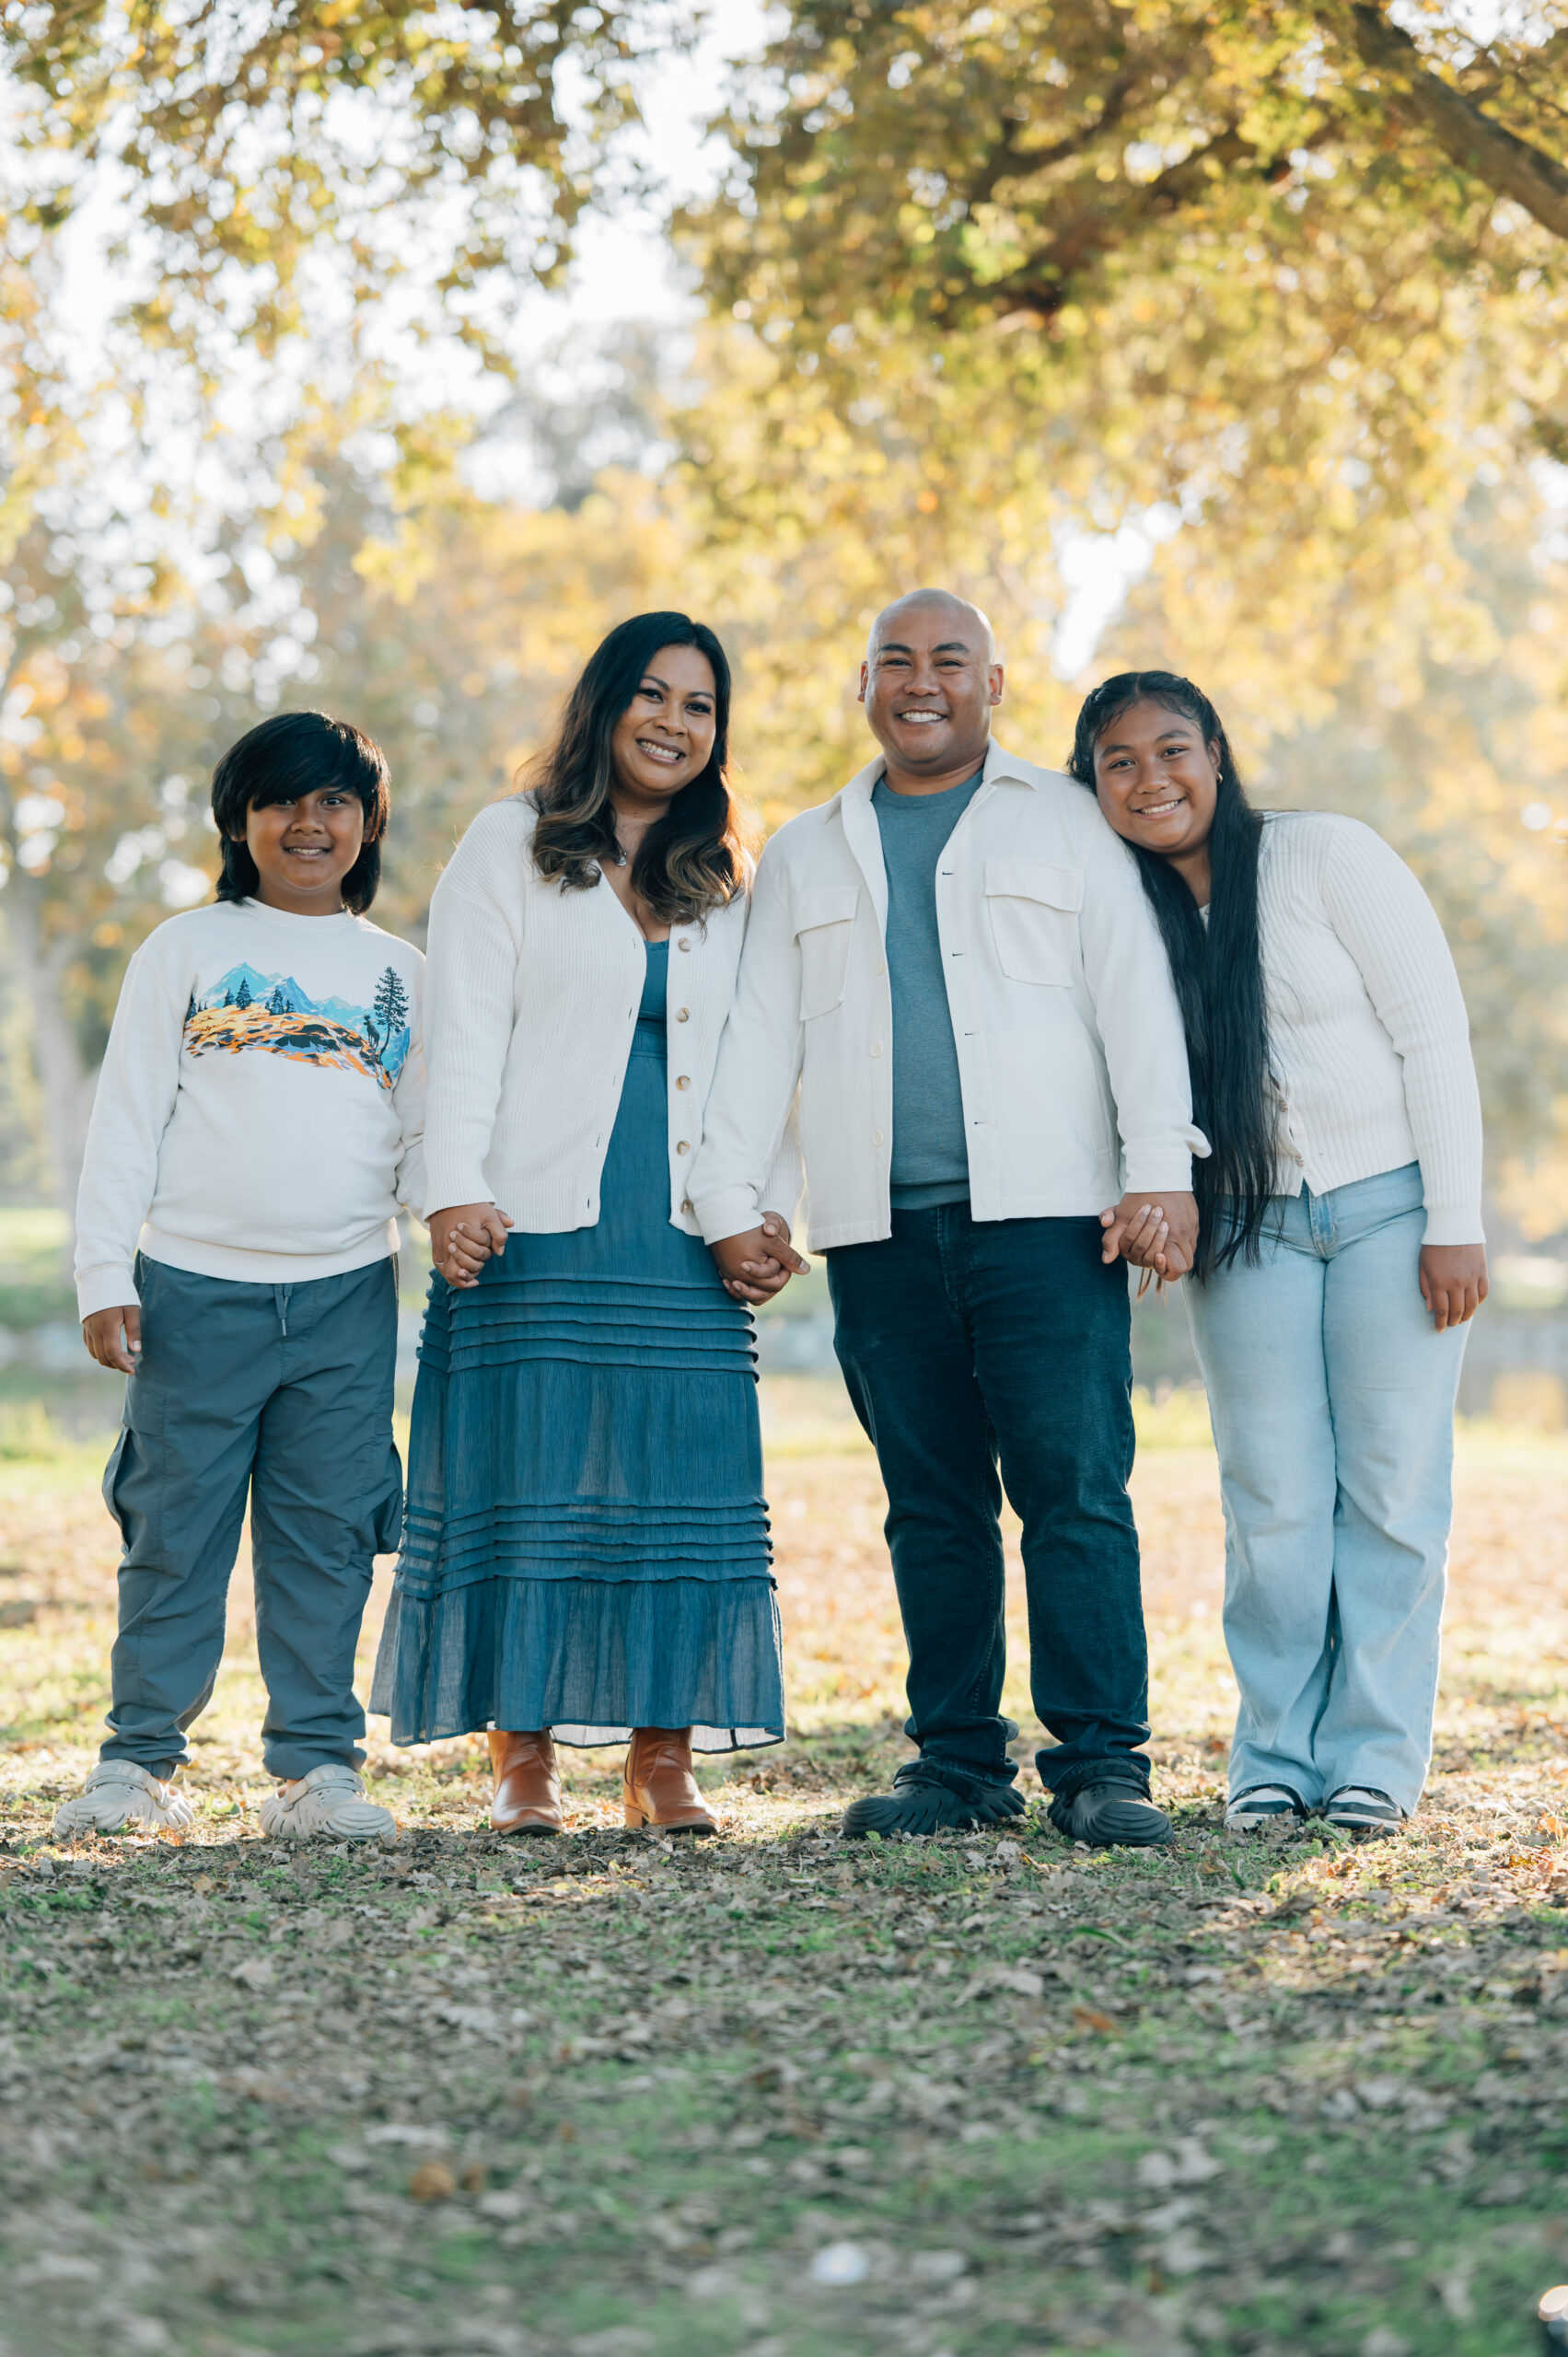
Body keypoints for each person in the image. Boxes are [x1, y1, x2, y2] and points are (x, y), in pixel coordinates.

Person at [689, 589, 1205, 1847]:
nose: (921, 683)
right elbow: (756, 1031)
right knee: (929, 1505)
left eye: (949, 662)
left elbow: (1133, 998)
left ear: (991, 685)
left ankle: (1100, 1765)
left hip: (1045, 1224)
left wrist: (1159, 1172)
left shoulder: (1067, 821)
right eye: (895, 662)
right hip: (872, 1231)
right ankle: (955, 1766)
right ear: (861, 685)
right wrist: (732, 1200)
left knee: (1073, 1492)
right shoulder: (807, 848)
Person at [371, 611, 804, 1838]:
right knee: (534, 1467)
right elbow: (460, 1032)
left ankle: (662, 1756)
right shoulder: (510, 844)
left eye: (699, 706)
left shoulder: (728, 873)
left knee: (677, 1477)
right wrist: (449, 1188)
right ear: (606, 704)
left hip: (679, 1224)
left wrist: (764, 1208)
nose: (673, 723)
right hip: (527, 1217)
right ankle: (525, 1755)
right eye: (653, 696)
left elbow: (765, 1059)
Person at [1068, 670, 1487, 1838]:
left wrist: (1453, 1217)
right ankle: (1273, 1756)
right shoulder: (1117, 914)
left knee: (1393, 1490)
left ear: (1215, 753)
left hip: (1387, 1210)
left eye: (1171, 749)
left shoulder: (1324, 857)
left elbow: (1429, 1033)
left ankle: (1371, 1759)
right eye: (1118, 762)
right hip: (1244, 1228)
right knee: (1271, 1497)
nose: (1150, 778)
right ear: (1091, 785)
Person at [55, 710, 424, 1846]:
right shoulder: (187, 949)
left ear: (366, 826)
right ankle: (137, 1760)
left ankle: (315, 1768)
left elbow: (421, 1139)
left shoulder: (401, 975)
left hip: (347, 1297)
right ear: (241, 818)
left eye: (335, 804)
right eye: (283, 801)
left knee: (325, 1536)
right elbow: (125, 1122)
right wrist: (101, 1272)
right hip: (192, 1292)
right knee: (174, 1527)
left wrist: (458, 1232)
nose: (309, 823)